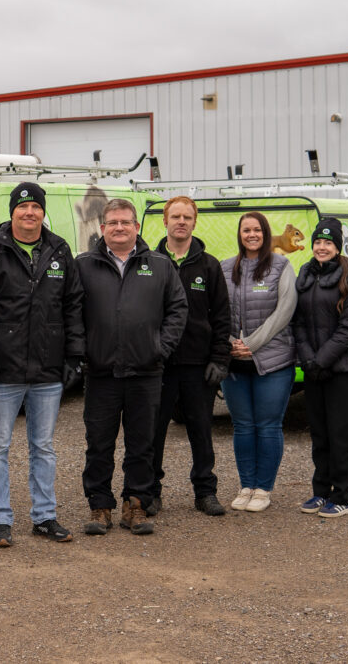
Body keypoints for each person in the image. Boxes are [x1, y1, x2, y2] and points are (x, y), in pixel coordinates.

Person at [0, 181, 84, 548]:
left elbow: (73, 306)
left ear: (42, 211)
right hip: (3, 369)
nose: (29, 213)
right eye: (23, 207)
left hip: (48, 369)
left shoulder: (59, 250)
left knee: (44, 447)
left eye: (36, 206)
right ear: (12, 211)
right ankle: (0, 519)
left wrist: (73, 356)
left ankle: (44, 516)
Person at [77, 198, 187, 536]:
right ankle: (100, 506)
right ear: (103, 227)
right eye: (113, 223)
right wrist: (84, 351)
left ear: (137, 227)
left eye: (126, 222)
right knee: (99, 443)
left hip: (146, 372)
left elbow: (177, 309)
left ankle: (136, 504)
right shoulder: (83, 265)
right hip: (101, 373)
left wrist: (160, 348)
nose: (120, 228)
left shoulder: (159, 265)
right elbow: (69, 313)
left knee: (142, 443)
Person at [150, 196, 231, 518]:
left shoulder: (209, 266)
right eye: (175, 216)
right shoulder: (150, 261)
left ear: (195, 222)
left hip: (199, 366)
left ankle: (205, 492)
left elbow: (223, 316)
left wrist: (220, 359)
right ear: (165, 221)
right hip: (159, 365)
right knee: (153, 433)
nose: (181, 222)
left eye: (187, 217)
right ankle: (150, 493)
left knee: (201, 431)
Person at [220, 212, 297, 513]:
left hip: (272, 360)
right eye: (246, 230)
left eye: (257, 230)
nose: (251, 235)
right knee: (242, 426)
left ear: (265, 233)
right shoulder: (226, 267)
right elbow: (216, 311)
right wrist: (231, 344)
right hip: (234, 361)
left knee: (267, 426)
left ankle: (263, 488)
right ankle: (246, 485)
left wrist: (251, 344)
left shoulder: (281, 266)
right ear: (239, 234)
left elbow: (285, 310)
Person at [292, 218, 348, 518]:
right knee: (319, 434)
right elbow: (297, 322)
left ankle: (342, 495)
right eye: (318, 242)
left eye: (328, 243)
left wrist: (321, 361)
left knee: (340, 434)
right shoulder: (305, 274)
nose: (322, 248)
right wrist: (309, 360)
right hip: (313, 369)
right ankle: (320, 492)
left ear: (337, 247)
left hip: (340, 370)